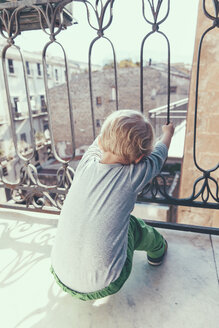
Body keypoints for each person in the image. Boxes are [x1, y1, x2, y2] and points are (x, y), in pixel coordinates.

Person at [50, 109, 174, 301]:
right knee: (133, 225)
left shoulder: (85, 163)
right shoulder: (135, 174)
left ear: (100, 142)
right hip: (107, 283)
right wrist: (167, 133)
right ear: (140, 158)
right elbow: (159, 155)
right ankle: (158, 250)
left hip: (59, 275)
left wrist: (115, 129)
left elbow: (103, 138)